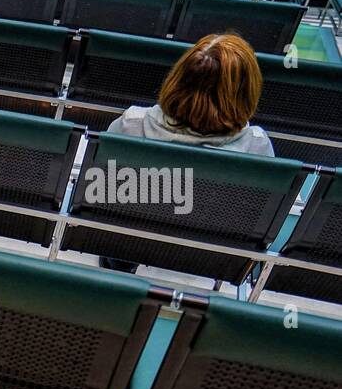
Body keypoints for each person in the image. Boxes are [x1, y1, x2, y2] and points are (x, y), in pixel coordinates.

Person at [99, 33, 274, 271]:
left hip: (128, 241)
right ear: (246, 93)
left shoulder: (132, 123)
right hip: (206, 252)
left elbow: (102, 191)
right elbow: (253, 215)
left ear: (177, 78)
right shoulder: (257, 146)